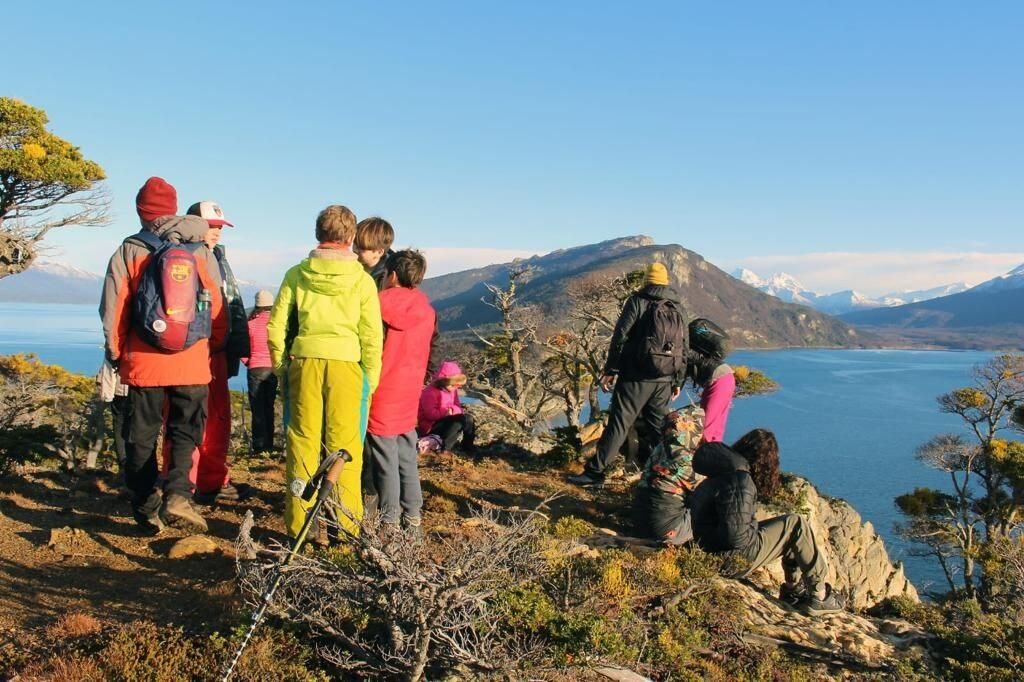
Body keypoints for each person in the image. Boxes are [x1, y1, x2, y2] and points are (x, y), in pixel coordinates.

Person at [99, 177, 226, 533]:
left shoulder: (129, 250)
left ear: (140, 211)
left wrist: (116, 352)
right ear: (173, 208)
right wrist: (211, 346)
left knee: (141, 436)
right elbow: (217, 306)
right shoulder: (200, 248)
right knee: (185, 431)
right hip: (192, 360)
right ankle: (179, 496)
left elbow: (115, 308)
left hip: (144, 361)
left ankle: (145, 504)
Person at [267, 205, 383, 538]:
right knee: (346, 449)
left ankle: (298, 527)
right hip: (348, 367)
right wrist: (369, 380)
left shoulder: (296, 274)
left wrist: (281, 368)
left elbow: (276, 327)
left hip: (304, 363)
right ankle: (345, 529)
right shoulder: (361, 281)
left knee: (301, 445)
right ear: (351, 237)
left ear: (318, 234)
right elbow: (371, 336)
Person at [688, 429, 844, 615]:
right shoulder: (740, 480)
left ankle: (793, 590)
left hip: (709, 548)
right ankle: (819, 595)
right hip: (729, 558)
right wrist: (755, 531)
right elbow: (736, 538)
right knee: (795, 524)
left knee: (785, 528)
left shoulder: (723, 471)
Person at [569, 262, 688, 488]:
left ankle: (595, 474)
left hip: (635, 377)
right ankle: (671, 477)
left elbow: (620, 336)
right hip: (664, 379)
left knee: (619, 425)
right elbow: (685, 346)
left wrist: (611, 370)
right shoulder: (678, 307)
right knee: (658, 429)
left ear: (647, 279)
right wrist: (678, 380)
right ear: (665, 281)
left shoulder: (638, 301)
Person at [165, 200, 252, 504]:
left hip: (212, 350)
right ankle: (193, 485)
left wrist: (237, 348)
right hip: (199, 350)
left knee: (210, 419)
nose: (216, 232)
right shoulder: (188, 257)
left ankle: (203, 481)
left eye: (219, 227)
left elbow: (232, 304)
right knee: (198, 419)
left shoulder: (214, 256)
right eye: (211, 226)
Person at [365, 250, 436, 529]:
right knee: (406, 455)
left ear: (391, 275)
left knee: (385, 460)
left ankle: (390, 520)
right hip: (410, 390)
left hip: (383, 389)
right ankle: (413, 518)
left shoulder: (376, 304)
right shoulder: (426, 310)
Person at [632, 406, 705, 545]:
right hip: (665, 530)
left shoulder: (660, 448)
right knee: (711, 514)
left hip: (639, 522)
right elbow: (706, 492)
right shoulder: (688, 460)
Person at [243, 289, 277, 454]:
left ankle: (259, 445)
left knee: (257, 408)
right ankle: (269, 444)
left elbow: (242, 349)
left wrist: (248, 362)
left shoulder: (250, 324)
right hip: (272, 368)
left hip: (255, 368)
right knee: (269, 406)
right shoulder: (275, 323)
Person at [417, 361, 475, 453]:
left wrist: (452, 411)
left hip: (446, 420)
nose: (455, 387)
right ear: (443, 382)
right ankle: (444, 448)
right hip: (431, 426)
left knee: (468, 418)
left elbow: (458, 407)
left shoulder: (452, 390)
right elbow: (429, 414)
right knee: (458, 421)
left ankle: (468, 447)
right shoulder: (430, 392)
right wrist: (446, 413)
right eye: (453, 385)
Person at [685, 351, 736, 443]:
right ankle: (713, 449)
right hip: (724, 376)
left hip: (719, 378)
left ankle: (704, 451)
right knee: (715, 422)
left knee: (707, 421)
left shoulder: (680, 347)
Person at [354, 216, 396, 290]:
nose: (355, 250)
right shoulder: (349, 267)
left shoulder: (390, 278)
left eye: (362, 248)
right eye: (355, 244)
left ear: (379, 252)